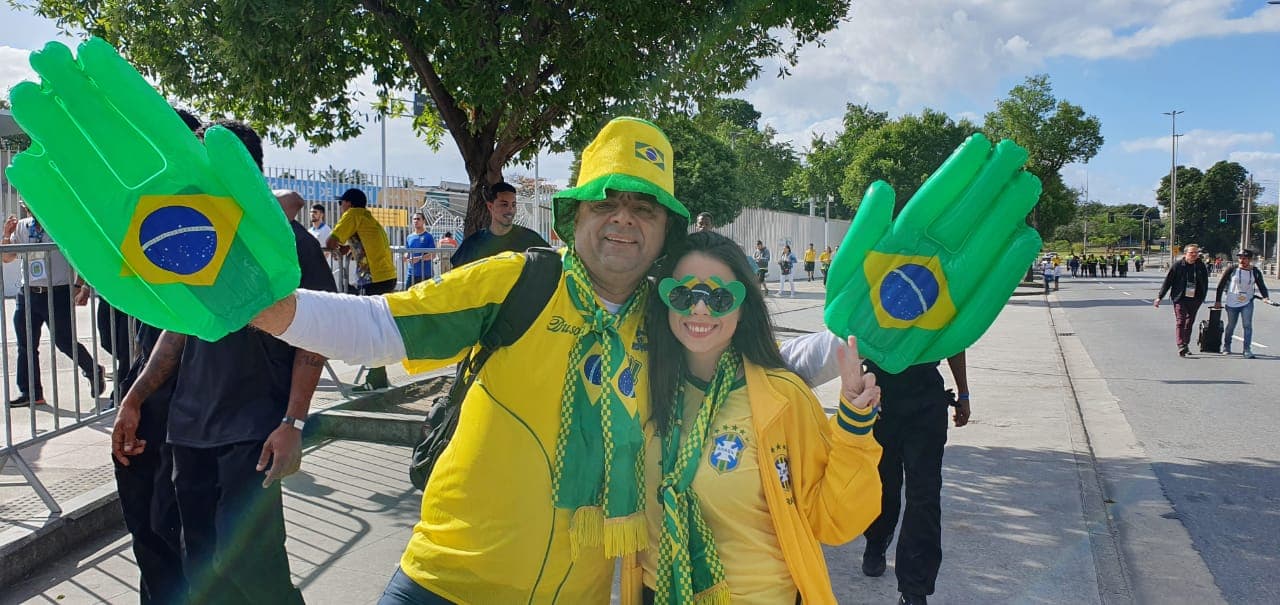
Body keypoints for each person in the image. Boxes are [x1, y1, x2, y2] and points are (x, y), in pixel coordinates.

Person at [112, 120, 334, 605]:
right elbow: (180, 328)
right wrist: (135, 398)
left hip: (252, 431)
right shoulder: (199, 234)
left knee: (254, 569)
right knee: (202, 568)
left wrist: (293, 422)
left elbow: (314, 340)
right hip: (189, 431)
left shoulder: (288, 244)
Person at [626, 230, 882, 605]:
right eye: (683, 295)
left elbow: (834, 519)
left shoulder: (782, 398)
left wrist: (854, 427)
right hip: (659, 594)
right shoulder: (642, 388)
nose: (699, 310)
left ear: (743, 307)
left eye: (719, 298)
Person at [107, 105, 202, 605]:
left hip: (188, 401)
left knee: (172, 530)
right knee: (146, 525)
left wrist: (138, 394)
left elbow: (181, 323)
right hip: (146, 385)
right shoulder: (149, 213)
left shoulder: (209, 216)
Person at [861, 353, 969, 605]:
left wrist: (963, 393)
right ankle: (877, 539)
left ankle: (914, 591)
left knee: (924, 495)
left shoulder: (939, 310)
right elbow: (853, 334)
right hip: (880, 394)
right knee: (882, 485)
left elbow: (956, 339)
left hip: (926, 398)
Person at [2, 205, 106, 407]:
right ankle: (31, 392)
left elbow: (81, 257)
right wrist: (6, 235)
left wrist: (79, 285)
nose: (28, 208)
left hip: (57, 292)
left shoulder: (60, 224)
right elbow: (7, 258)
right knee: (26, 345)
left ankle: (93, 369)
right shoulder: (23, 227)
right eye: (26, 205)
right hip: (29, 293)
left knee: (64, 341)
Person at [328, 187, 396, 390]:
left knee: (370, 329)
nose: (340, 207)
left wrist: (334, 249)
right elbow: (359, 243)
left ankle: (376, 378)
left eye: (342, 203)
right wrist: (347, 249)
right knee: (376, 327)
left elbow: (330, 241)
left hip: (373, 279)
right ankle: (378, 374)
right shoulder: (368, 218)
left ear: (348, 203)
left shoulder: (353, 215)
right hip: (386, 277)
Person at [449, 181, 549, 268]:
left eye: (513, 205)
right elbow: (456, 279)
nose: (510, 210)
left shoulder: (531, 239)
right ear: (490, 206)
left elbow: (553, 265)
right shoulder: (473, 244)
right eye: (504, 204)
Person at [1214, 249, 1272, 358]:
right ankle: (1227, 346)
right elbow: (1221, 285)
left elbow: (1261, 285)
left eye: (1244, 258)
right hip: (1232, 301)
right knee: (1231, 325)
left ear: (1250, 260)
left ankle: (1247, 349)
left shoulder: (1255, 271)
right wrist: (1218, 300)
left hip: (1247, 301)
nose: (1242, 260)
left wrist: (1265, 297)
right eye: (1240, 258)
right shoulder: (1232, 269)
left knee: (1247, 325)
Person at [1155, 244, 1209, 357]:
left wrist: (1203, 295)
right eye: (1191, 252)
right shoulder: (1178, 265)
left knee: (1189, 322)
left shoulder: (1200, 265)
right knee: (1181, 321)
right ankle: (1180, 345)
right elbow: (1168, 282)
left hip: (1195, 298)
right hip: (1180, 297)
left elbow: (1205, 281)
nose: (1194, 255)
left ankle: (1185, 344)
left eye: (1196, 252)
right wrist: (1160, 297)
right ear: (1185, 254)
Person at [404, 211, 436, 288]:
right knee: (408, 297)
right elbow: (407, 252)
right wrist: (405, 257)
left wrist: (419, 258)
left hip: (426, 274)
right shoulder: (409, 237)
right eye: (414, 219)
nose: (416, 221)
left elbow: (433, 255)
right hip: (411, 274)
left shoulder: (428, 236)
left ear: (423, 221)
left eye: (418, 219)